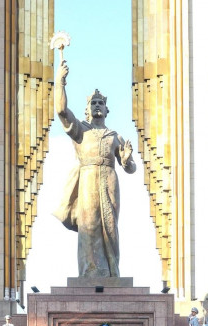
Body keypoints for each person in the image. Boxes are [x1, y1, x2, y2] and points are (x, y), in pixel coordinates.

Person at [53, 58, 136, 277]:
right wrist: (60, 81)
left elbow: (130, 168)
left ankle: (111, 273)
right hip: (88, 178)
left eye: (100, 103)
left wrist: (127, 160)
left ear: (107, 110)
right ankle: (89, 273)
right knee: (88, 227)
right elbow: (61, 110)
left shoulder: (114, 136)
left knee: (109, 228)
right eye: (94, 103)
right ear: (87, 110)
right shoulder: (81, 129)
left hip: (109, 179)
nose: (97, 105)